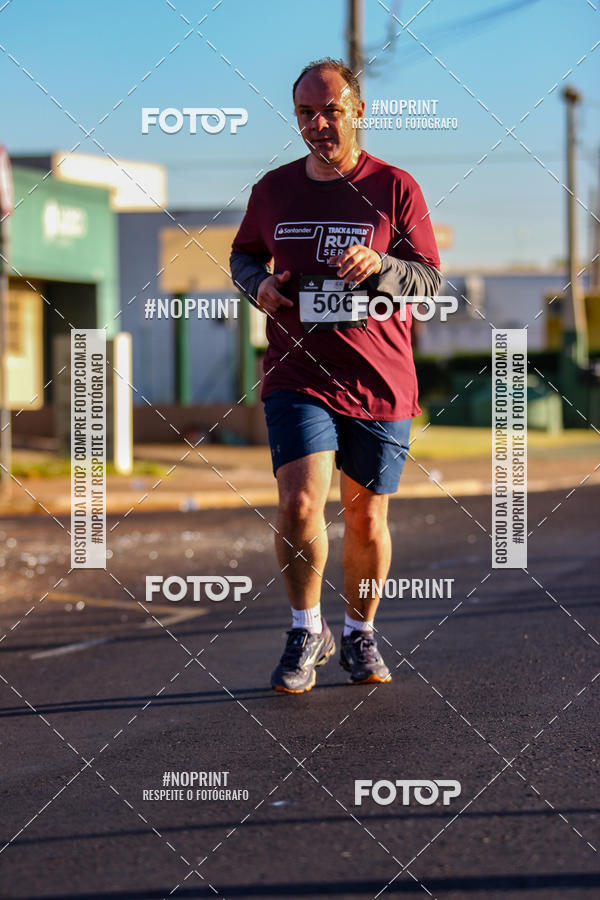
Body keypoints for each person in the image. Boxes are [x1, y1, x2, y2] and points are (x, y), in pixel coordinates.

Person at [230, 58, 440, 693]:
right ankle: (304, 629)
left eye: (331, 112)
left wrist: (380, 263)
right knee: (298, 503)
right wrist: (258, 284)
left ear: (358, 111)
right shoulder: (272, 191)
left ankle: (359, 633)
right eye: (305, 113)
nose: (318, 125)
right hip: (298, 372)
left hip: (380, 379)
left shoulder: (395, 188)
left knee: (365, 518)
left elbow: (429, 279)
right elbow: (242, 256)